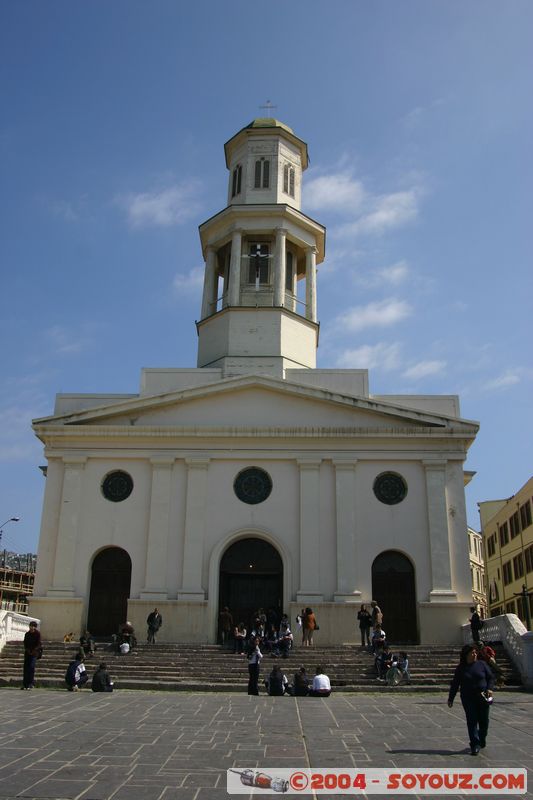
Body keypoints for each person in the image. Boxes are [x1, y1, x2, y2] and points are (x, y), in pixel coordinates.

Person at [448, 644, 495, 755]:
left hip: (485, 696)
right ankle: (475, 744)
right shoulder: (461, 668)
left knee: (484, 722)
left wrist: (490, 688)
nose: (475, 655)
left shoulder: (482, 664)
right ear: (466, 655)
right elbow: (455, 684)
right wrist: (451, 698)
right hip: (468, 698)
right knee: (472, 721)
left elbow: (491, 677)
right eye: (472, 653)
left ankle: (481, 739)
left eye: (475, 652)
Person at [22, 620, 42, 690]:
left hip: (34, 653)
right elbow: (25, 643)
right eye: (31, 626)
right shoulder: (27, 634)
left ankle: (31, 683)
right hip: (27, 653)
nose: (32, 627)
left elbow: (39, 644)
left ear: (35, 627)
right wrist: (27, 650)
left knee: (31, 667)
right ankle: (25, 684)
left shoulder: (37, 634)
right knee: (26, 668)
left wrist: (34, 650)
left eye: (33, 626)